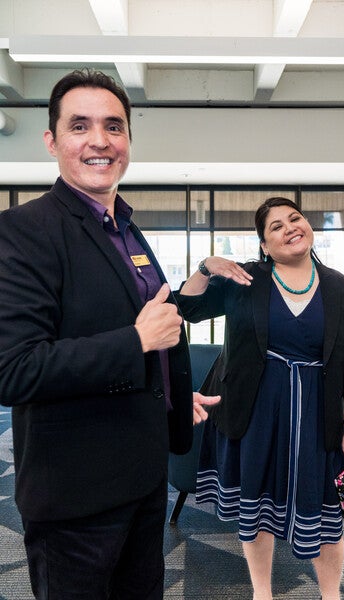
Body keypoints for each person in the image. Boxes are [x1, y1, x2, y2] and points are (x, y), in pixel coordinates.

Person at [0, 68, 219, 600]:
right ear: (52, 141)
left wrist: (166, 390)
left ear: (128, 141)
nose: (100, 140)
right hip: (76, 496)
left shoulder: (125, 227)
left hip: (143, 478)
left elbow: (132, 322)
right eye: (80, 126)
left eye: (113, 126)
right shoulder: (23, 231)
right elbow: (14, 369)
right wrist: (136, 343)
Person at [174, 197, 344, 600]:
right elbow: (188, 307)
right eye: (276, 227)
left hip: (318, 413)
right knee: (257, 507)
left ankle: (331, 594)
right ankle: (261, 591)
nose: (289, 228)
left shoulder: (340, 287)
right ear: (264, 245)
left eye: (294, 219)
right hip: (254, 409)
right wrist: (206, 267)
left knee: (326, 511)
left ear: (309, 226)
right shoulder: (246, 279)